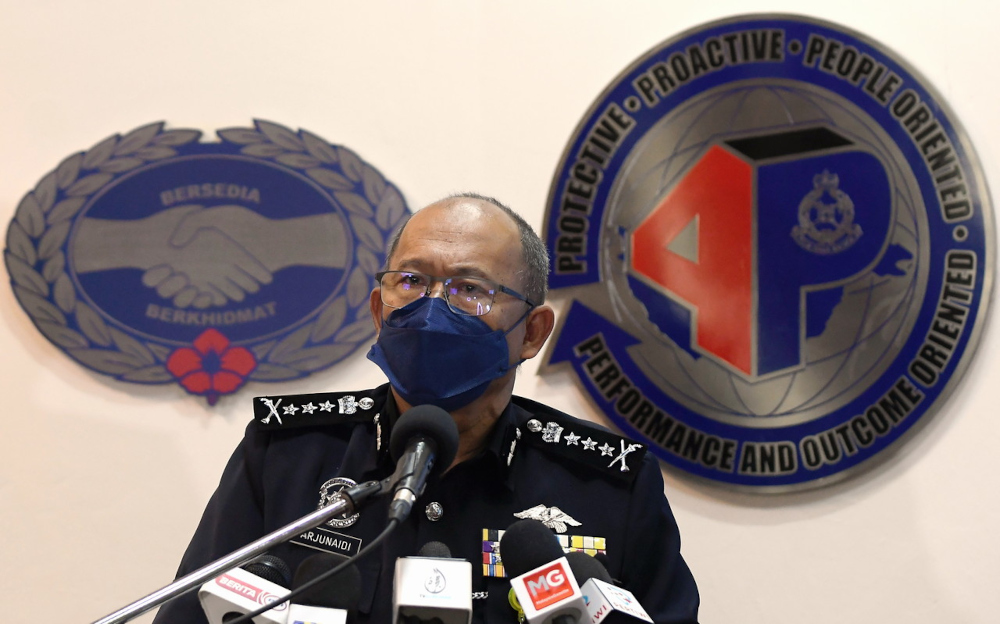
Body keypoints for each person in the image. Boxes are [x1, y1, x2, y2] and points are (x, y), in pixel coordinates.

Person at [152, 194, 699, 623]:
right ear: (378, 310)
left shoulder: (609, 485)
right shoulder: (286, 455)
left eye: (469, 288)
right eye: (411, 281)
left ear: (532, 332)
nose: (433, 308)